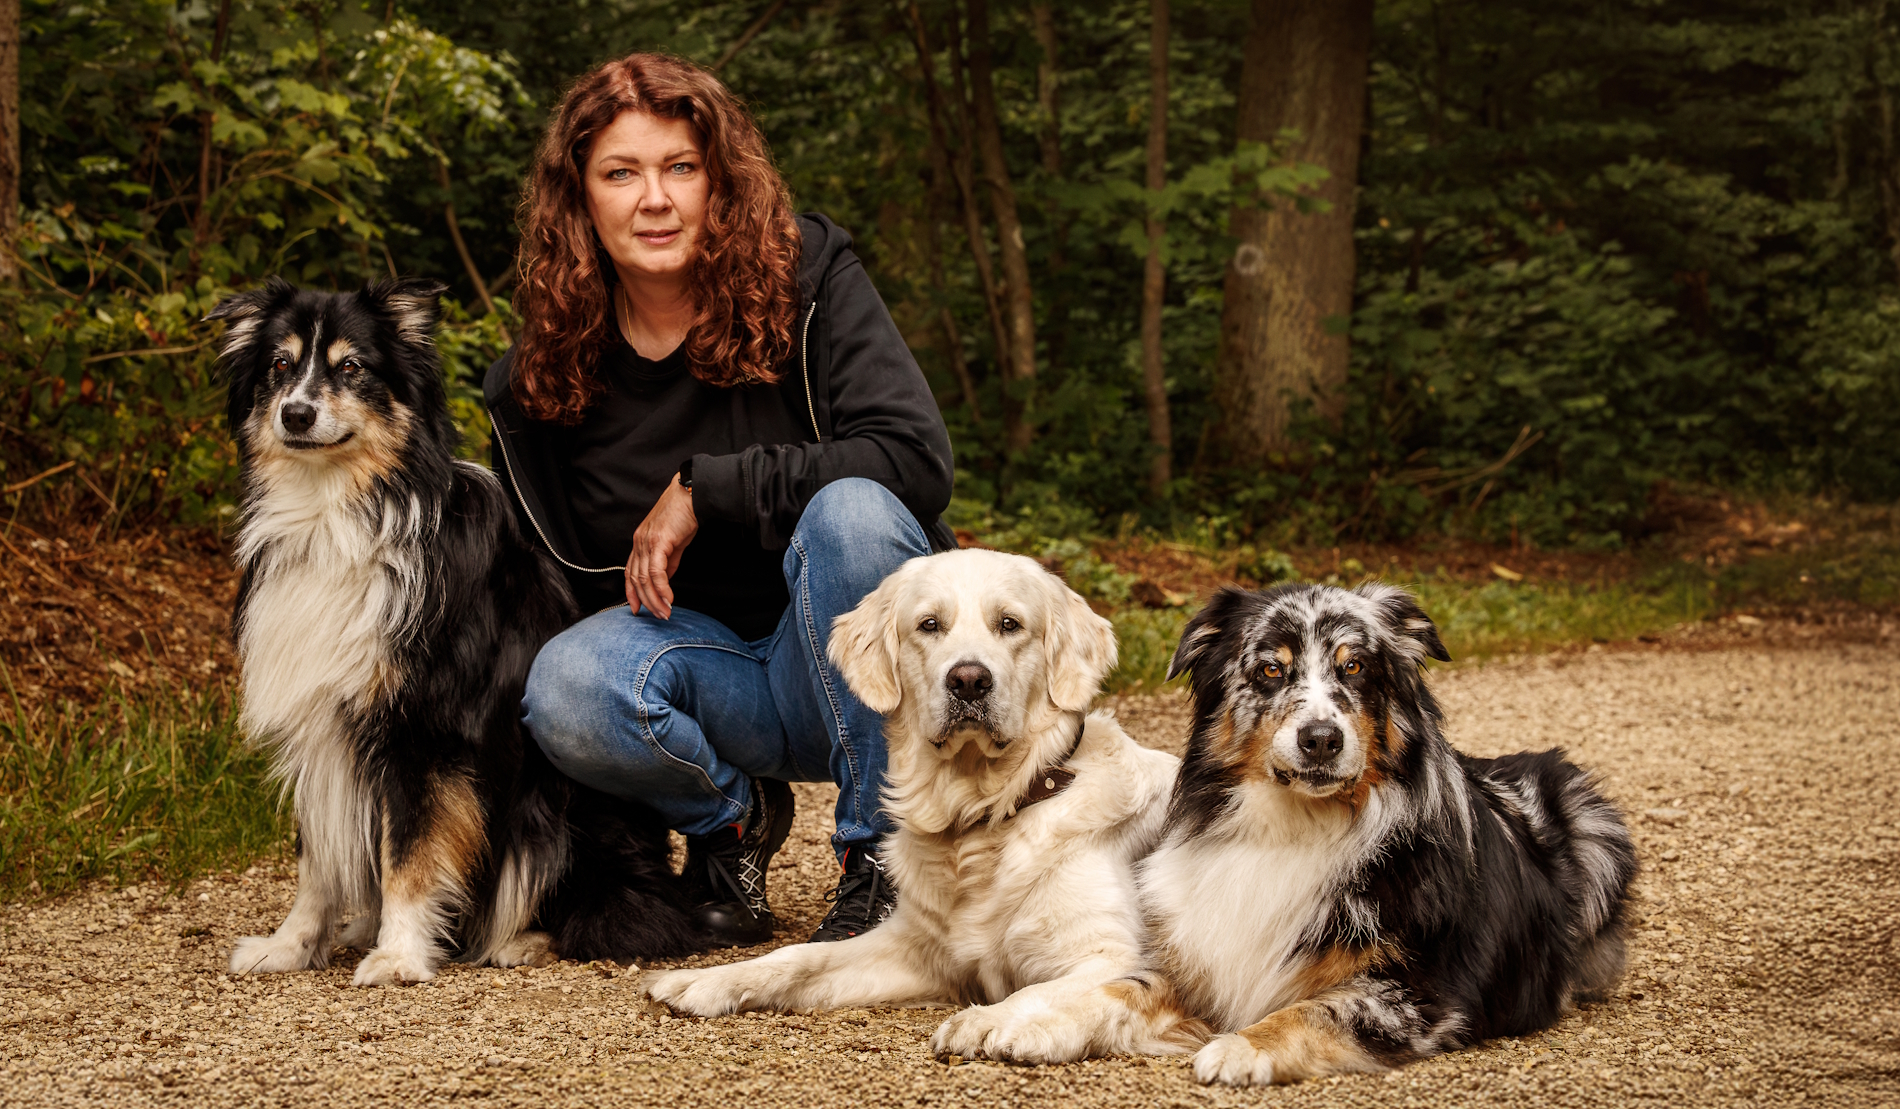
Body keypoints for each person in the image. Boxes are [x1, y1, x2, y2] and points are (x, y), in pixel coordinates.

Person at [483, 53, 956, 948]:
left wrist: (709, 487)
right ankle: (729, 825)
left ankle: (883, 859)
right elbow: (550, 598)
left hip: (868, 668)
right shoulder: (535, 385)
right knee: (565, 682)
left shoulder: (810, 277)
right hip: (707, 680)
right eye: (620, 173)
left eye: (680, 168)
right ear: (580, 199)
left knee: (851, 511)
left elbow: (914, 459)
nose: (653, 199)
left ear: (720, 183)